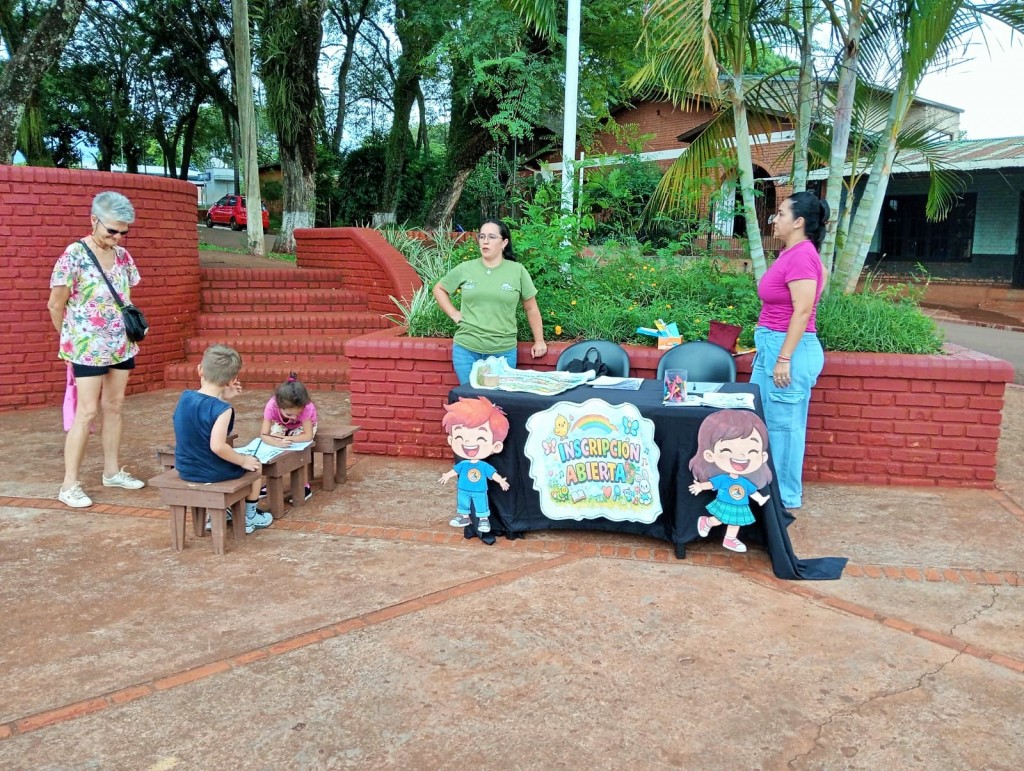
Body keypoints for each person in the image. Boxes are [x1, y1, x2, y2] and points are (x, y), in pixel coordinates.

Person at [48, 191, 146, 508]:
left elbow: (125, 294)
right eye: (111, 231)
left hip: (121, 344)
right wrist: (71, 340)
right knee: (87, 411)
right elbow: (55, 304)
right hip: (87, 347)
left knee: (114, 406)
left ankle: (112, 471)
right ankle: (69, 484)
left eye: (123, 232)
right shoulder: (73, 256)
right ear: (94, 220)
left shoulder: (122, 257)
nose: (117, 237)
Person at [749, 190, 829, 510]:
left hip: (788, 350)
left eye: (781, 214)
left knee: (784, 428)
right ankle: (768, 491)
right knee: (765, 422)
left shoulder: (802, 256)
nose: (775, 219)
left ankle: (783, 500)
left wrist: (783, 357)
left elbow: (803, 309)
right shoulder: (789, 253)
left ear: (798, 222)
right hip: (774, 347)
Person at [433, 219, 548, 384]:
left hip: (503, 351)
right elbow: (439, 289)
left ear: (504, 242)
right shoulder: (466, 268)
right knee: (472, 402)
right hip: (466, 349)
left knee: (498, 405)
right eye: (482, 236)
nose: (485, 241)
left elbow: (531, 309)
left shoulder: (517, 271)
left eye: (492, 237)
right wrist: (454, 313)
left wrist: (539, 341)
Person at [172, 344, 272, 534]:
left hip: (186, 468)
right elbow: (217, 446)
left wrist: (224, 395)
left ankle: (219, 513)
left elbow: (200, 410)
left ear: (200, 369)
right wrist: (243, 460)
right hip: (211, 472)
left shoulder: (185, 397)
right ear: (233, 379)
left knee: (236, 459)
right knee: (256, 465)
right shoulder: (223, 410)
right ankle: (249, 518)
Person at [688, 410, 773, 554]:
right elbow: (713, 484)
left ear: (762, 457)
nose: (741, 455)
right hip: (725, 503)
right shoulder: (723, 478)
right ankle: (707, 522)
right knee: (719, 519)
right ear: (710, 455)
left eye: (751, 451)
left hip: (740, 505)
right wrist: (700, 486)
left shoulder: (745, 481)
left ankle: (730, 538)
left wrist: (761, 499)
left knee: (736, 522)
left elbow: (752, 491)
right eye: (728, 449)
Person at [439, 396, 511, 534]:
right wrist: (447, 476)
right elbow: (455, 471)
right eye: (460, 437)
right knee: (463, 502)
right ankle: (463, 517)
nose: (468, 442)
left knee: (481, 504)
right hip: (463, 489)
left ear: (495, 446)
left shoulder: (483, 466)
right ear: (451, 439)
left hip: (479, 490)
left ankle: (483, 519)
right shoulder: (463, 464)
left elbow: (492, 474)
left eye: (480, 438)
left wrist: (501, 480)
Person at [260, 372, 317, 501]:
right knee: (271, 447)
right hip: (282, 425)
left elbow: (307, 436)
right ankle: (270, 484)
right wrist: (276, 442)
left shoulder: (306, 407)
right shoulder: (271, 406)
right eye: (289, 414)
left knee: (298, 449)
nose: (295, 418)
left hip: (303, 428)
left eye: (298, 414)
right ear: (279, 407)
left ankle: (304, 486)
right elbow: (264, 434)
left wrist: (290, 438)